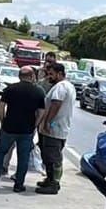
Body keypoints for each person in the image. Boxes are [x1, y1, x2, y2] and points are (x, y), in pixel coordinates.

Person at [0, 67, 45, 192]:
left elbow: (1, 106)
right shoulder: (38, 92)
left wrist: (3, 121)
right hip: (26, 130)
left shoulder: (10, 89)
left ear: (19, 76)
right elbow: (41, 112)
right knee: (23, 157)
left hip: (9, 127)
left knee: (0, 152)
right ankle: (18, 184)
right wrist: (34, 125)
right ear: (32, 76)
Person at [36, 62, 76, 195]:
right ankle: (49, 178)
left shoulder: (61, 87)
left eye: (51, 74)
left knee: (53, 157)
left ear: (60, 74)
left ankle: (54, 183)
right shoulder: (65, 86)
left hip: (54, 129)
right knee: (47, 155)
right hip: (56, 128)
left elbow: (55, 104)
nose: (49, 77)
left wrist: (47, 122)